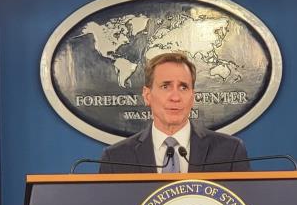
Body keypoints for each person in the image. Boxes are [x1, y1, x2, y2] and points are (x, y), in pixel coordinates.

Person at [99, 52, 250, 173]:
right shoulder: (116, 158)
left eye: (183, 87)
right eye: (166, 86)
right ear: (147, 95)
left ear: (192, 97)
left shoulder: (230, 152)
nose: (176, 97)